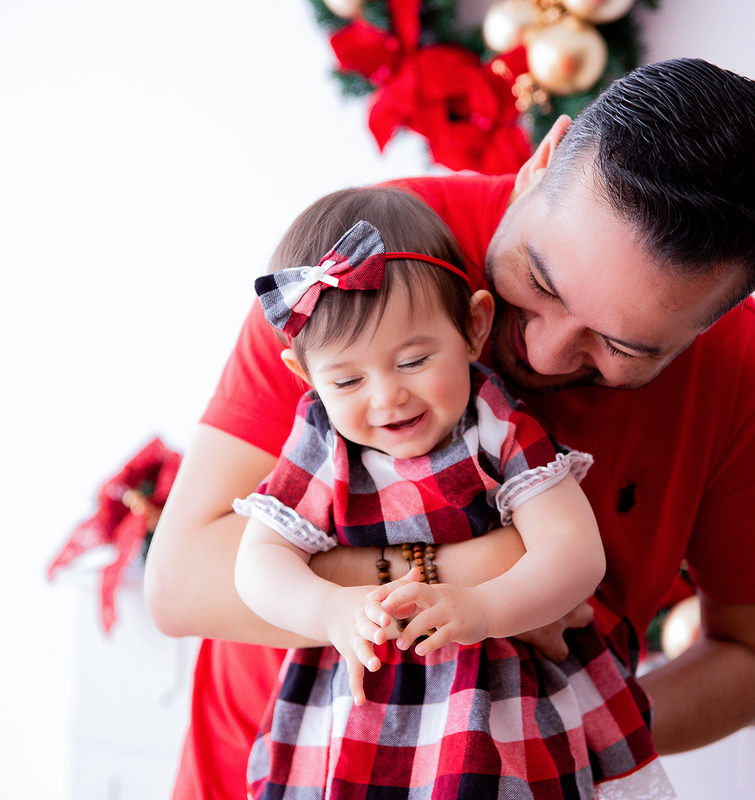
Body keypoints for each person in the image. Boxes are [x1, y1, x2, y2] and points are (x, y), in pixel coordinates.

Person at [146, 58, 755, 800]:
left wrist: (564, 727)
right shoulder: (365, 270)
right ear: (543, 161)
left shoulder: (754, 383)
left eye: (622, 347)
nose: (545, 351)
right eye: (540, 283)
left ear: (712, 325)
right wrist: (490, 574)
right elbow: (182, 584)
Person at [232, 193, 661, 799]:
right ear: (306, 378)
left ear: (474, 329)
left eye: (414, 360)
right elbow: (258, 563)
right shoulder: (322, 441)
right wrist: (329, 611)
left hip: (494, 702)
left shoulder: (493, 423)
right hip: (360, 711)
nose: (386, 398)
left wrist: (486, 608)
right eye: (348, 380)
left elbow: (574, 549)